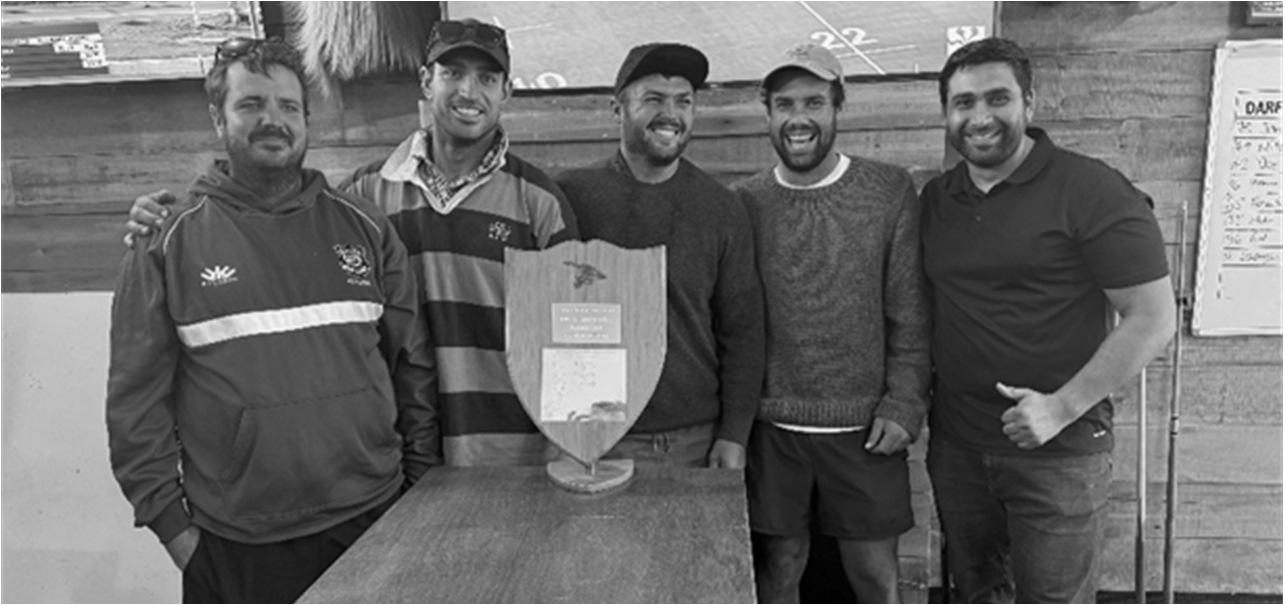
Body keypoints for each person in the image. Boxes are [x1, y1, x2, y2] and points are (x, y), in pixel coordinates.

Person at [125, 20, 580, 467]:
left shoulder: (539, 202)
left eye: (487, 78)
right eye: (452, 73)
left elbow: (570, 341)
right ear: (426, 81)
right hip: (396, 453)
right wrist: (171, 218)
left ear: (507, 91)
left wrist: (570, 447)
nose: (468, 91)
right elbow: (274, 236)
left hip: (511, 453)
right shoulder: (365, 194)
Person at [106, 38, 438, 603]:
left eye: (288, 106)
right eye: (251, 104)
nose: (272, 120)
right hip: (237, 546)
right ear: (218, 118)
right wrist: (177, 535)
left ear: (307, 121)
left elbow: (413, 367)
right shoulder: (167, 240)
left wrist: (419, 489)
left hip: (374, 518)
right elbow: (134, 404)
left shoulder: (365, 228)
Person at [920, 37, 1175, 603]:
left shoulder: (1091, 190)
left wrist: (1060, 407)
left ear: (1029, 103)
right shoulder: (937, 199)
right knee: (978, 593)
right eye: (963, 103)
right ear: (946, 113)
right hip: (958, 447)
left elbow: (1153, 317)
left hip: (1059, 451)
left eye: (997, 98)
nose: (979, 117)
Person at [730, 44, 930, 603]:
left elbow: (910, 310)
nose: (799, 118)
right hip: (773, 429)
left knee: (874, 577)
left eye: (814, 102)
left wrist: (905, 402)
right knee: (779, 569)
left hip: (865, 428)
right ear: (768, 114)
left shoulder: (888, 190)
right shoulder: (744, 202)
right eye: (785, 105)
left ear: (838, 106)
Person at [555, 43, 765, 469]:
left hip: (693, 442)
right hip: (594, 438)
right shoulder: (571, 197)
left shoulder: (722, 208)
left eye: (683, 101)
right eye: (653, 99)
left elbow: (743, 331)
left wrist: (734, 434)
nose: (671, 114)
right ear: (618, 108)